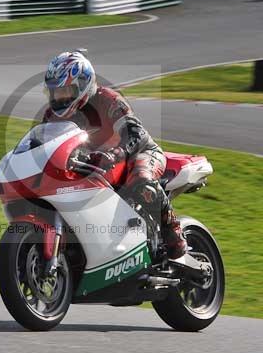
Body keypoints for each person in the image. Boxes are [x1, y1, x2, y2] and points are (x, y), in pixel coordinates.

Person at [41, 50, 187, 259]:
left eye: (66, 91)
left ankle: (174, 232)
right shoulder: (51, 116)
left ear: (83, 85)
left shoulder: (108, 100)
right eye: (55, 92)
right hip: (92, 165)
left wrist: (117, 152)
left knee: (141, 181)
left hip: (137, 153)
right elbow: (42, 145)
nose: (60, 98)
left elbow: (136, 133)